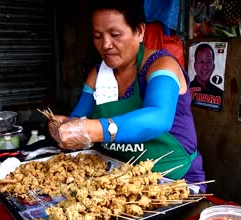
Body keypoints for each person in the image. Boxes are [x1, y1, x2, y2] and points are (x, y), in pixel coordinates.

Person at [49, 0, 206, 192]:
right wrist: (63, 126)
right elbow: (79, 117)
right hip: (118, 181)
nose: (105, 45)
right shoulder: (98, 74)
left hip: (174, 182)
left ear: (139, 31)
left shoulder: (162, 66)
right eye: (97, 36)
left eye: (115, 35)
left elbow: (159, 117)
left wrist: (94, 130)